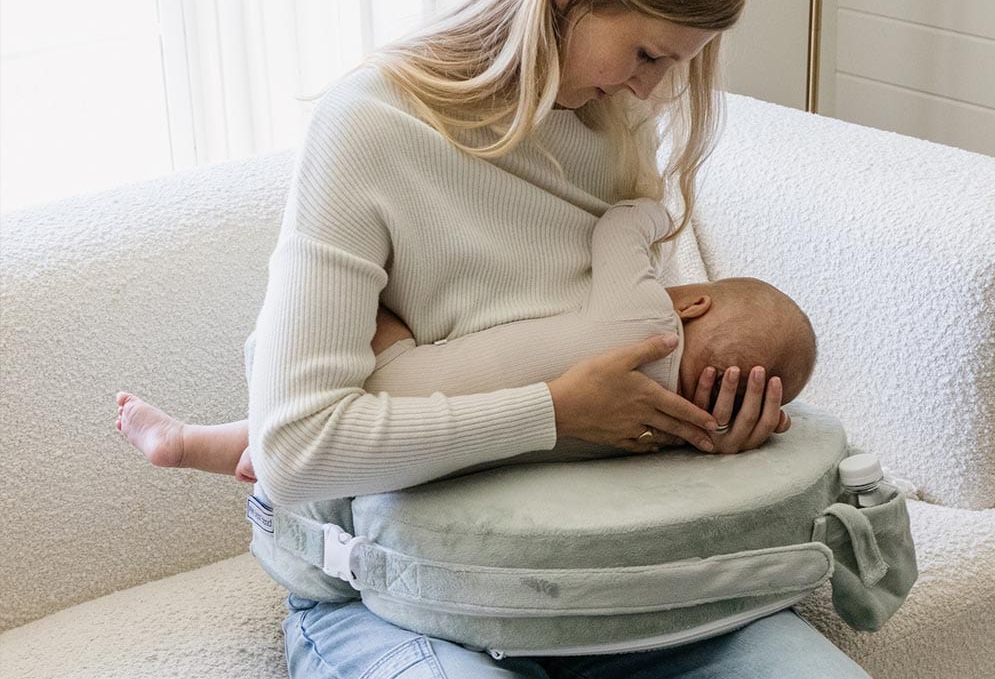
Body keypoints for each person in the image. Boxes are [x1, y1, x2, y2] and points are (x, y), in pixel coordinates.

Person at [201, 0, 927, 679]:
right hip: (396, 596)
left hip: (596, 574)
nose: (649, 90)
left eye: (673, 67)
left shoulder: (611, 128)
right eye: (644, 54)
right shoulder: (370, 127)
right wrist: (555, 410)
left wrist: (708, 419)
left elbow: (632, 351)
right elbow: (298, 449)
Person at [115, 197, 819, 483]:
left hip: (399, 386)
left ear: (693, 304)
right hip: (453, 455)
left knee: (368, 303)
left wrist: (655, 209)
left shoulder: (650, 325)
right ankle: (208, 446)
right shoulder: (669, 437)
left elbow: (617, 231)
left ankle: (249, 443)